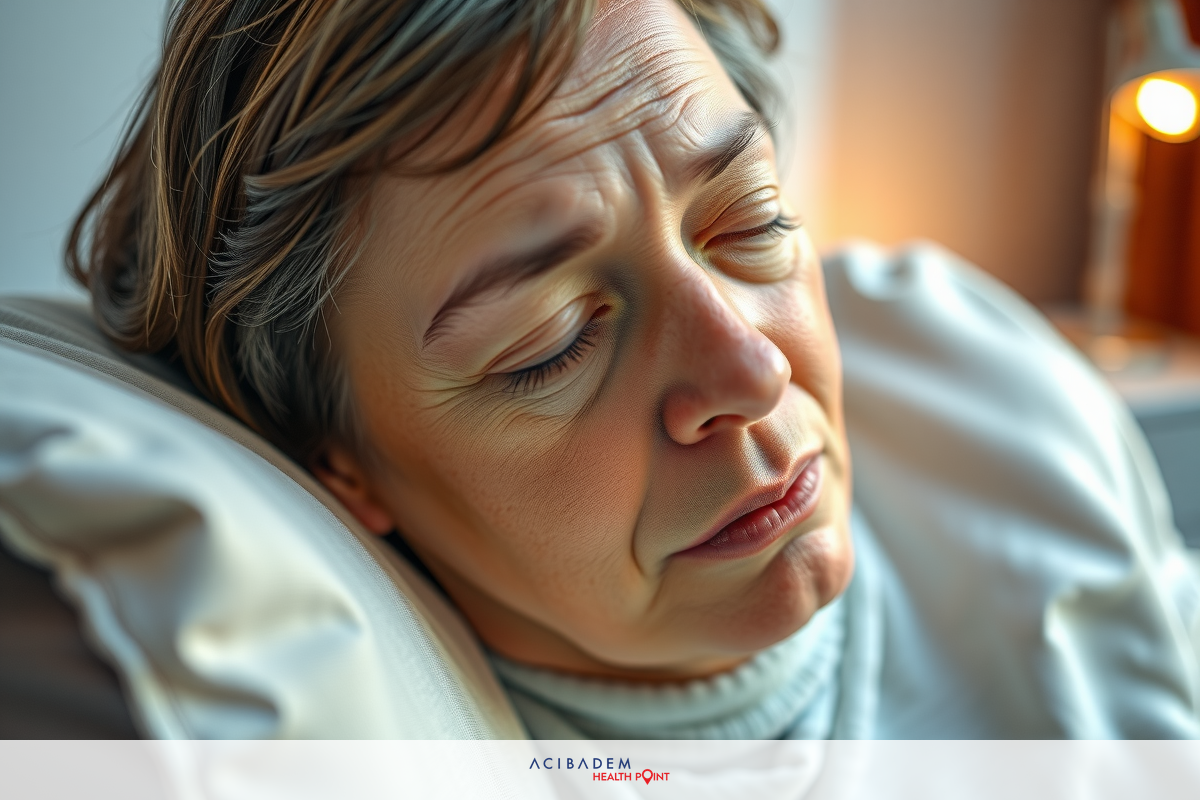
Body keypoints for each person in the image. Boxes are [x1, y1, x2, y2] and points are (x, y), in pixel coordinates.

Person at [65, 0, 1199, 738]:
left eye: (747, 219)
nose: (752, 368)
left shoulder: (977, 368)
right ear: (341, 461)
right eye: (552, 343)